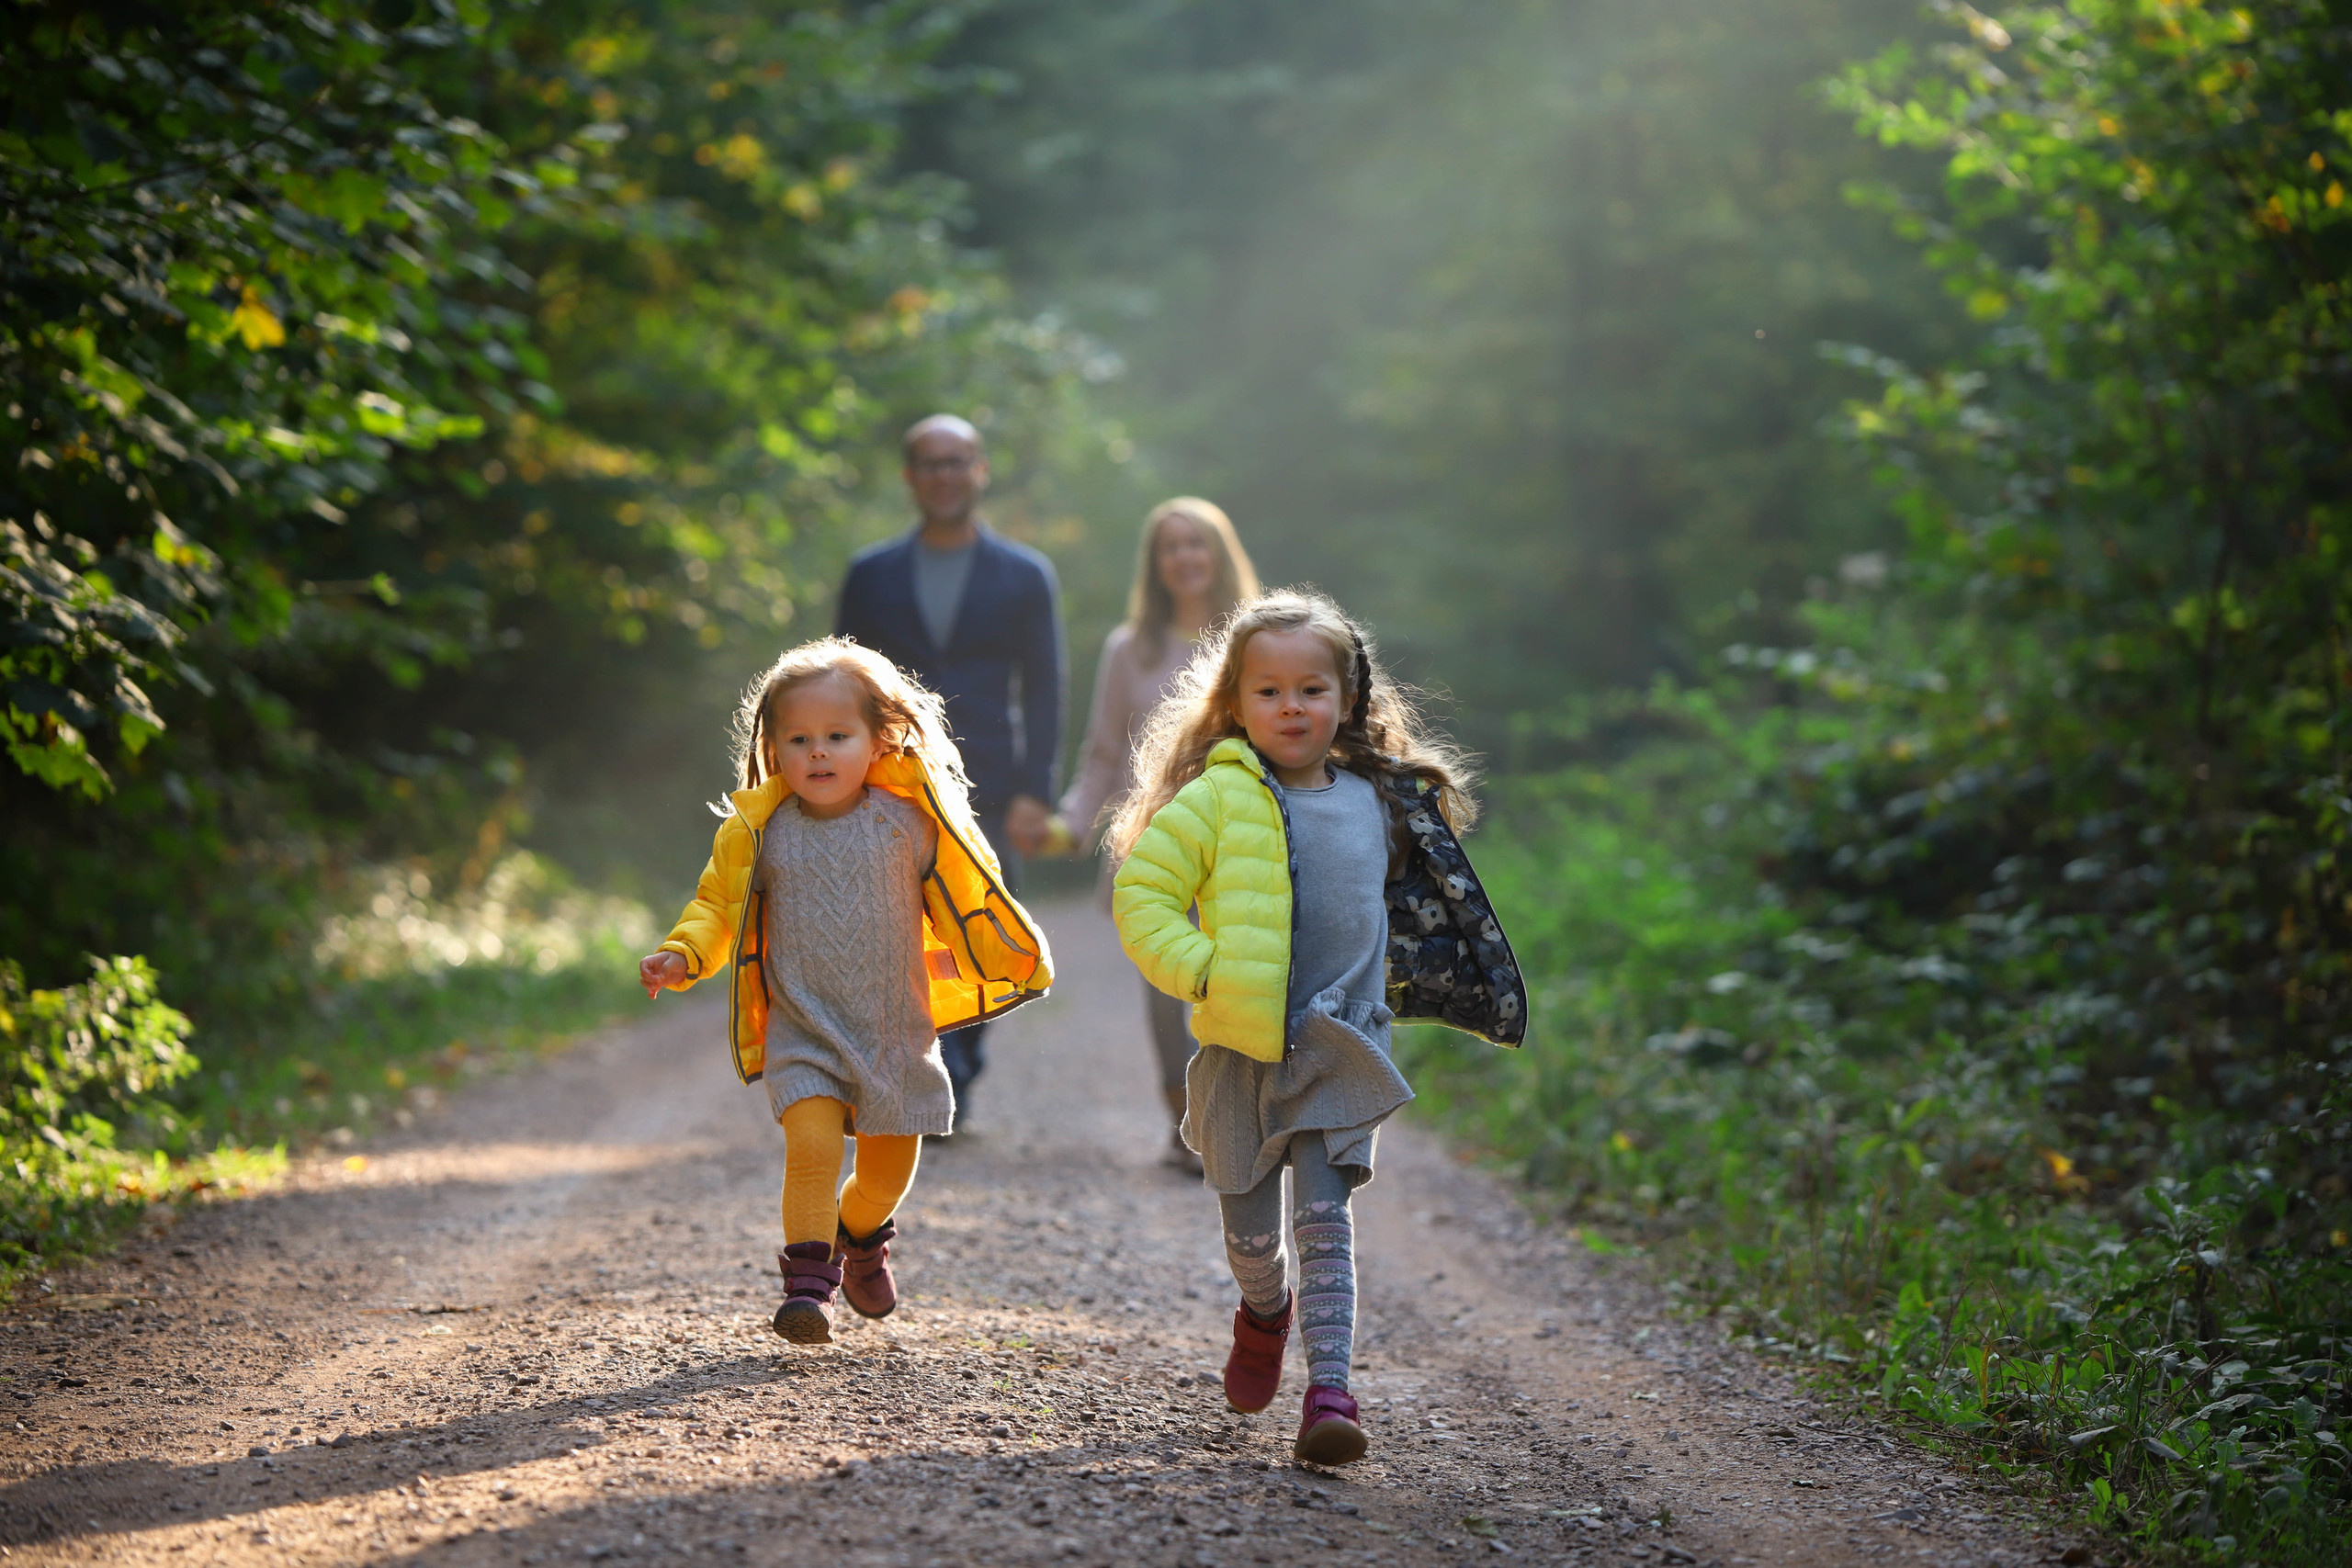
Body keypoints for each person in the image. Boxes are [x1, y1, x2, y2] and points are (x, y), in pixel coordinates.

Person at [1109, 589, 1527, 1466]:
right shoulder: (1215, 800)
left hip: (1341, 1039)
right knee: (1252, 1238)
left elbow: (1425, 905)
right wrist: (1204, 969)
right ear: (1236, 703)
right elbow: (1143, 894)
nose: (1291, 707)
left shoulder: (1381, 802)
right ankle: (1264, 1313)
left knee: (1326, 1218)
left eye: (1311, 689)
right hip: (1242, 1046)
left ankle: (1330, 1391)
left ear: (1347, 698)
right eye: (1269, 691)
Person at [636, 639, 1053, 1344]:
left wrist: (1007, 952)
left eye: (837, 735)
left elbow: (966, 892)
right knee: (811, 1146)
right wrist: (682, 954)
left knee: (884, 1178)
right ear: (773, 747)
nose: (818, 752)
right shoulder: (759, 834)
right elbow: (716, 908)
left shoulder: (910, 823)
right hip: (803, 1033)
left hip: (894, 1037)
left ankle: (859, 1236)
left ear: (877, 739)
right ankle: (807, 1288)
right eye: (799, 739)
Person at [836, 414, 1064, 1128]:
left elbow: (1046, 687)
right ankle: (914, 1075)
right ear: (911, 477)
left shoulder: (1025, 574)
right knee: (892, 931)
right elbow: (839, 681)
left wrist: (1035, 792)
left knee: (976, 928)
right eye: (931, 464)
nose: (945, 475)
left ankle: (957, 1071)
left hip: (989, 784)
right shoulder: (871, 575)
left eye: (957, 461)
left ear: (980, 471)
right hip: (889, 781)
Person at [1052, 498, 1261, 1174]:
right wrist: (1072, 822)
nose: (1184, 557)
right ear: (1155, 564)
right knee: (1170, 993)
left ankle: (1235, 1122)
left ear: (1218, 553)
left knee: (1238, 987)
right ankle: (1186, 1124)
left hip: (1243, 846)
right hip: (1155, 849)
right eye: (1170, 547)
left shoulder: (1256, 641)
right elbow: (1102, 754)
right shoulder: (1128, 649)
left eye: (1196, 543)